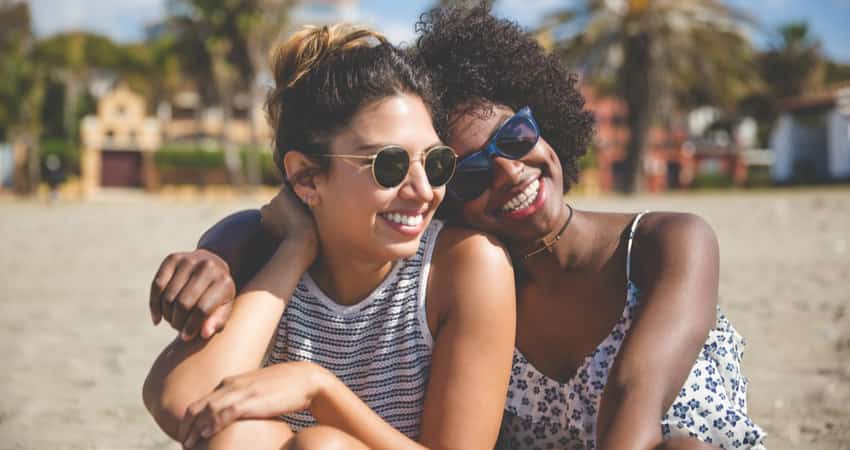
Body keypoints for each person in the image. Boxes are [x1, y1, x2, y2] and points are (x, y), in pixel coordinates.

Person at [149, 5, 766, 449]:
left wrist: (317, 388)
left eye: (516, 135)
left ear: (544, 120)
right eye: (464, 170)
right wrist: (259, 246)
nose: (505, 171)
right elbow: (184, 404)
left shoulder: (659, 243)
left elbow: (633, 408)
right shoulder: (290, 242)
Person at [142, 23, 516, 450]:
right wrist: (296, 247)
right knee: (237, 437)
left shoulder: (463, 265)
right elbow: (183, 402)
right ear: (306, 178)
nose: (423, 190)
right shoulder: (270, 249)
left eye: (435, 163)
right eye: (389, 165)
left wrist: (319, 390)